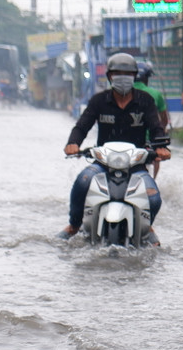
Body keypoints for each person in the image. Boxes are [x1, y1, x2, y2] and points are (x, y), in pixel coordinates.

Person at [61, 52, 171, 242]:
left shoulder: (145, 101)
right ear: (110, 76)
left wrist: (161, 148)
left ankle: (147, 228)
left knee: (153, 199)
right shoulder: (99, 101)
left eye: (127, 74)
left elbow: (156, 128)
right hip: (103, 163)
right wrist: (73, 143)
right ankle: (74, 225)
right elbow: (82, 126)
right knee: (82, 182)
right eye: (117, 73)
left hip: (136, 164)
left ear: (134, 76)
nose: (123, 77)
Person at [133, 60, 169, 177]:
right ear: (146, 78)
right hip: (151, 140)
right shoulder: (155, 94)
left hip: (128, 138)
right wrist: (161, 131)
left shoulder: (122, 93)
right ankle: (154, 180)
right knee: (156, 157)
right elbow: (164, 120)